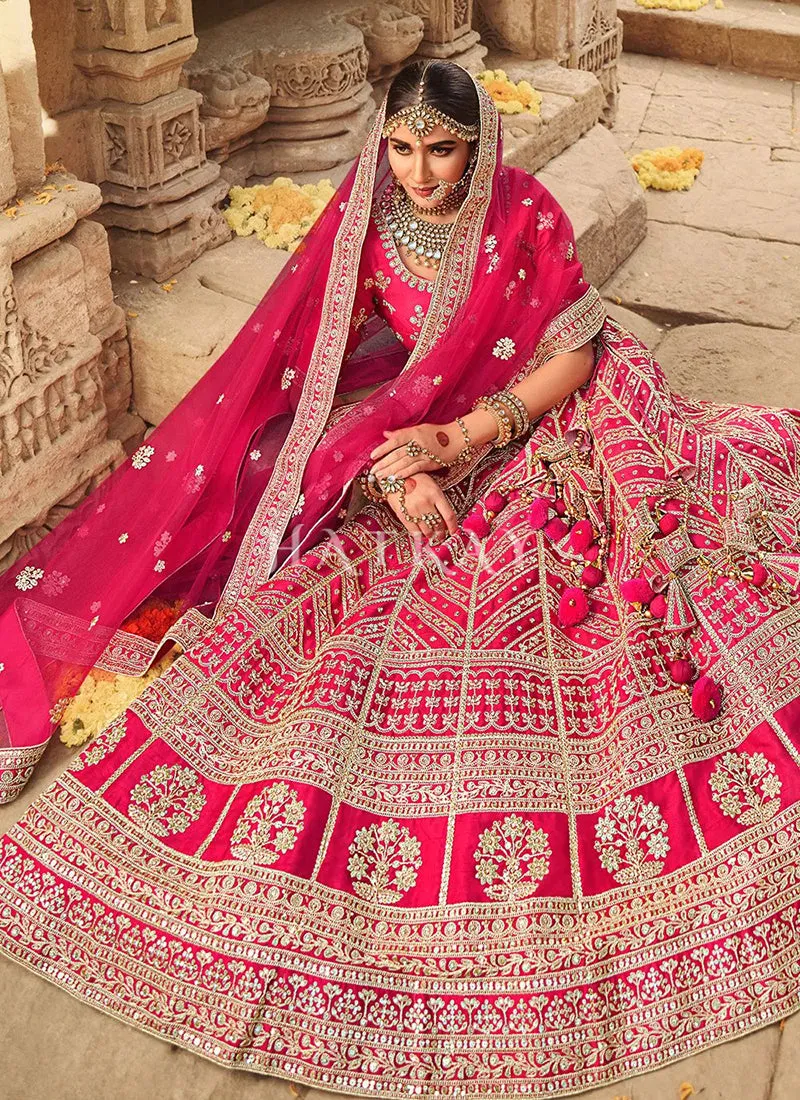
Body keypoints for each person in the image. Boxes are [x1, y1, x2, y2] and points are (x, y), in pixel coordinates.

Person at [0, 58, 798, 1098]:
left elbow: (576, 350)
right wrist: (381, 456)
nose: (423, 174)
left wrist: (465, 435)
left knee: (603, 552)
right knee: (266, 464)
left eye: (445, 148)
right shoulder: (367, 212)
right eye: (404, 148)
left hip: (540, 411)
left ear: (481, 145)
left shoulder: (524, 210)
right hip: (422, 398)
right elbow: (304, 346)